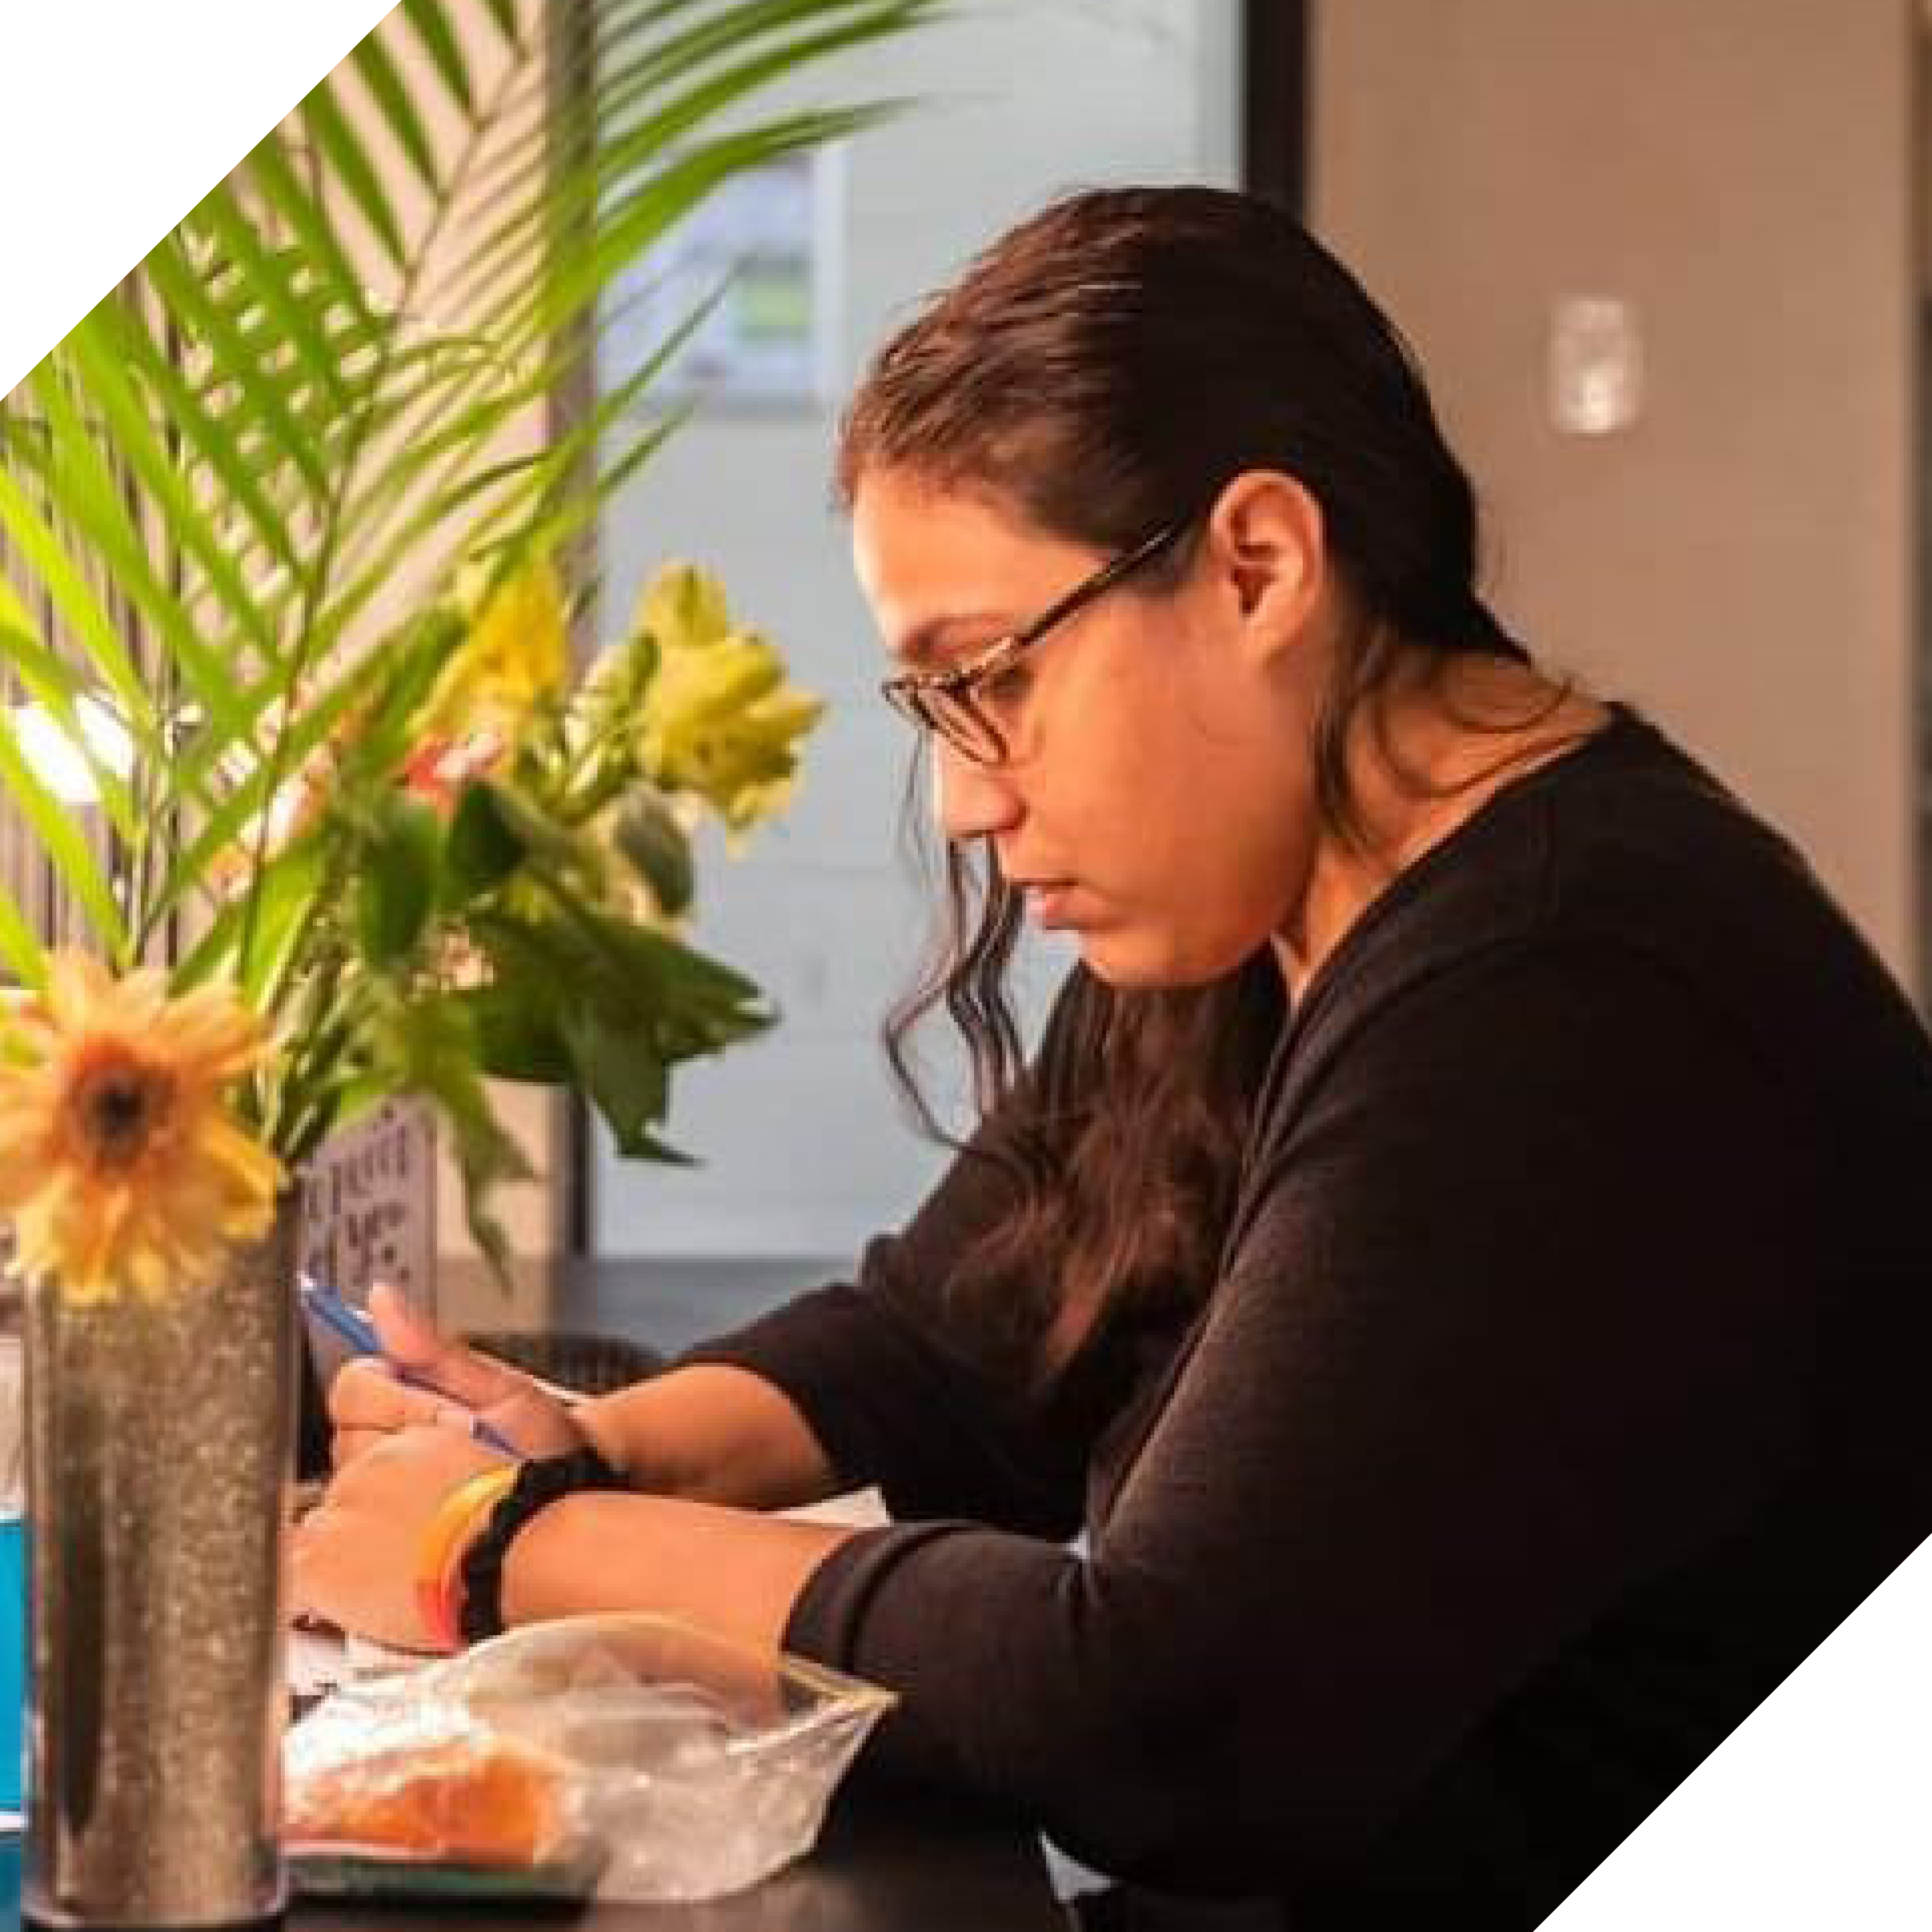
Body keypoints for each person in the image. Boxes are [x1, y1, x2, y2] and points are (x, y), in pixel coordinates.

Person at [292, 186, 1932, 1928]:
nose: (966, 793)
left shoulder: (1568, 988)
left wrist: (499, 1547)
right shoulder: (1266, 898)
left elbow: (1167, 1712)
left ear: (1257, 567)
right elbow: (951, 1336)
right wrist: (580, 1449)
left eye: (986, 676)